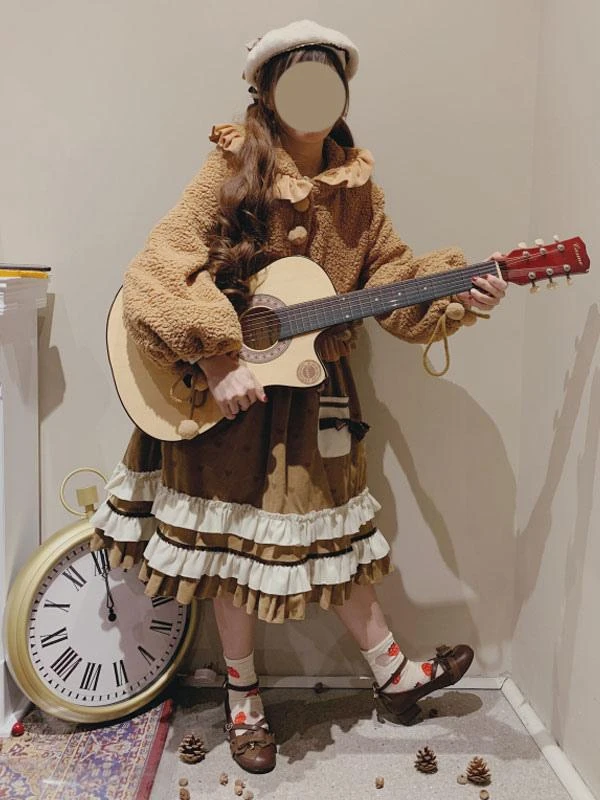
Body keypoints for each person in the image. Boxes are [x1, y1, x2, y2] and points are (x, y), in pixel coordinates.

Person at [90, 19, 507, 775]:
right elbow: (156, 268)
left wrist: (457, 294)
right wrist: (216, 354)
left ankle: (392, 674)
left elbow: (391, 281)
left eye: (327, 81)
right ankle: (242, 696)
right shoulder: (230, 170)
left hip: (317, 397)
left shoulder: (358, 192)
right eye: (297, 81)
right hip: (227, 403)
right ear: (267, 92)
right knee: (231, 554)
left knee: (335, 541)